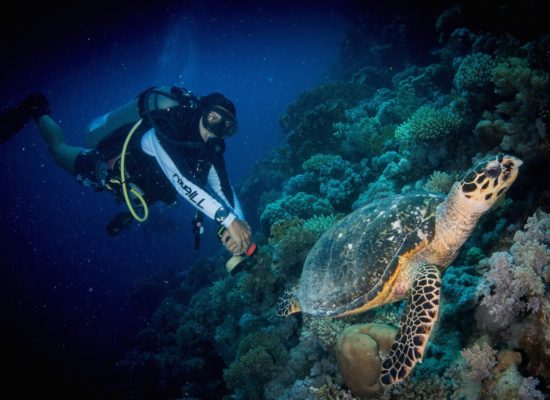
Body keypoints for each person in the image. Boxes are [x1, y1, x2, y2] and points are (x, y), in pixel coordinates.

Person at [0, 86, 253, 259]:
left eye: (227, 127)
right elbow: (180, 181)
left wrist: (239, 221)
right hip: (107, 168)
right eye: (213, 119)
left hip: (139, 189)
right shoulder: (164, 128)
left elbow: (222, 187)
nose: (216, 130)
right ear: (200, 111)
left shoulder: (208, 148)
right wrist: (228, 221)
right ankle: (38, 110)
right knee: (59, 152)